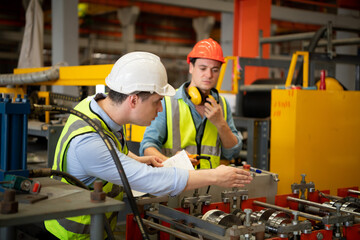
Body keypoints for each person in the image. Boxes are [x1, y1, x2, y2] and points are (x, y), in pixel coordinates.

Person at [44, 51, 252, 239]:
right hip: (75, 234)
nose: (160, 109)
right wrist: (216, 176)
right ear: (133, 100)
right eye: (156, 101)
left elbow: (113, 151)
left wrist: (140, 159)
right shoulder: (88, 143)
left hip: (97, 226)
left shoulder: (97, 107)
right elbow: (147, 180)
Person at [140, 38, 242, 169]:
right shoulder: (168, 102)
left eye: (215, 70)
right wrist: (173, 164)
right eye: (203, 68)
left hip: (209, 184)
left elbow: (232, 153)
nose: (209, 75)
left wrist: (220, 123)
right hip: (175, 183)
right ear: (191, 67)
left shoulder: (222, 104)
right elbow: (148, 146)